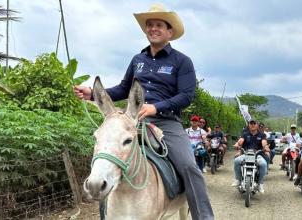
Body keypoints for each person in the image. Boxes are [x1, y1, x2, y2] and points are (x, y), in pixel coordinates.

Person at [73, 4, 214, 219]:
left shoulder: (182, 61)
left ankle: (204, 216)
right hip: (132, 119)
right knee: (107, 152)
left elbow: (186, 95)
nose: (153, 29)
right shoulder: (137, 60)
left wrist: (156, 106)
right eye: (150, 25)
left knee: (188, 166)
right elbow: (123, 89)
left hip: (166, 122)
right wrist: (92, 93)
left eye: (159, 25)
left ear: (170, 32)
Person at [231, 119, 269, 193]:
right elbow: (240, 141)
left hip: (257, 155)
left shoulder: (262, 135)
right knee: (237, 161)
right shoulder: (245, 134)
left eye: (254, 123)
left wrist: (265, 147)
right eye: (251, 123)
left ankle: (260, 184)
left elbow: (264, 142)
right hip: (246, 154)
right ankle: (238, 179)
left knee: (263, 164)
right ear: (248, 125)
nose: (252, 125)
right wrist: (237, 145)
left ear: (257, 125)